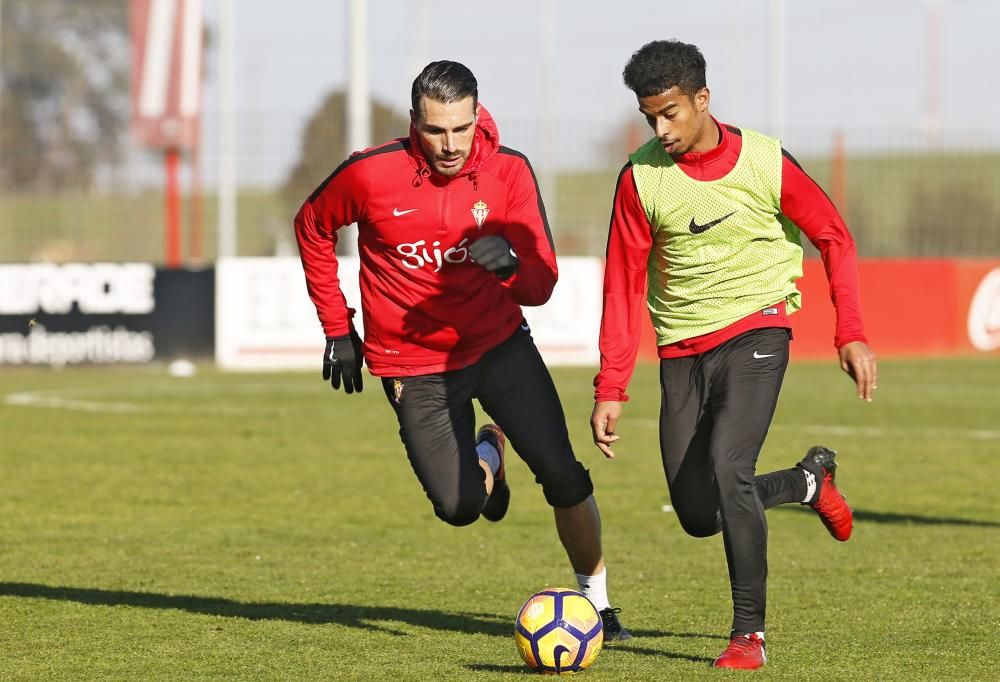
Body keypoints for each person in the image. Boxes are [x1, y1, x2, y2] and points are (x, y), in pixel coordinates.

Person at [295, 60, 630, 639]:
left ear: (477, 116)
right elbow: (312, 227)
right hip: (414, 367)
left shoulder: (509, 173)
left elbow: (542, 284)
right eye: (435, 131)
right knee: (458, 508)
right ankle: (489, 460)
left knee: (564, 475)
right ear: (414, 123)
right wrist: (337, 327)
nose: (450, 144)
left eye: (461, 128)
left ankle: (597, 606)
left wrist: (511, 267)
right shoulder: (369, 175)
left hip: (500, 348)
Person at [590, 40, 878, 668]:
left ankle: (749, 635)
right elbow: (621, 283)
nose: (660, 128)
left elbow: (833, 236)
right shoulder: (640, 178)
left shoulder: (765, 162)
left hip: (757, 330)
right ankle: (809, 480)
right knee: (697, 513)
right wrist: (611, 386)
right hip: (681, 350)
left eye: (670, 113)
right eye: (649, 118)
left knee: (728, 465)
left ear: (702, 100)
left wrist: (848, 330)